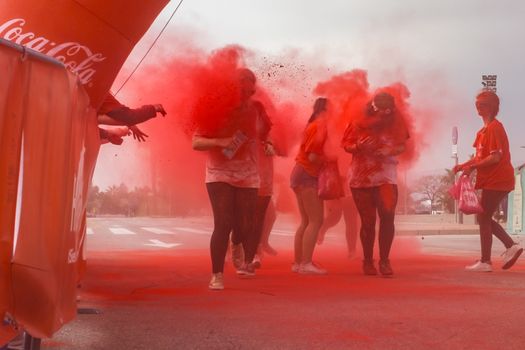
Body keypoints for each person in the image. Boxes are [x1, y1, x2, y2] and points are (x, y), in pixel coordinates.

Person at [192, 68, 266, 290]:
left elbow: (266, 135)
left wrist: (269, 143)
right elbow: (196, 142)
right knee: (223, 223)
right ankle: (217, 274)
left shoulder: (256, 110)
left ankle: (236, 243)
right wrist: (222, 142)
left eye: (248, 91)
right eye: (241, 91)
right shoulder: (214, 109)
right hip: (219, 173)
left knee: (247, 225)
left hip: (249, 174)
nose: (245, 95)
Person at [453, 90, 522, 272]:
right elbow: (479, 157)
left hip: (498, 179)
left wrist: (473, 168)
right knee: (483, 216)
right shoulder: (483, 132)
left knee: (483, 216)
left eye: (482, 103)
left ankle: (488, 260)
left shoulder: (495, 128)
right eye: (476, 103)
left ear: (492, 106)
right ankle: (508, 247)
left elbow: (496, 157)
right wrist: (464, 165)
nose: (477, 106)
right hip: (491, 180)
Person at [342, 92, 409, 276]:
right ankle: (367, 261)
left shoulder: (396, 120)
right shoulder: (358, 120)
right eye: (381, 112)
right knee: (368, 222)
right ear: (373, 109)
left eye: (388, 112)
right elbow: (345, 144)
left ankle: (385, 261)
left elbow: (403, 145)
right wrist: (358, 147)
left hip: (386, 178)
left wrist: (390, 150)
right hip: (361, 178)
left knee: (387, 218)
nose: (384, 116)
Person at [290, 97, 329, 274]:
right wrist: (330, 159)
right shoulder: (320, 126)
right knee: (316, 220)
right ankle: (306, 263)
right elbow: (313, 156)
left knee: (306, 221)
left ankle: (298, 263)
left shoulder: (312, 125)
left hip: (299, 173)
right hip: (307, 174)